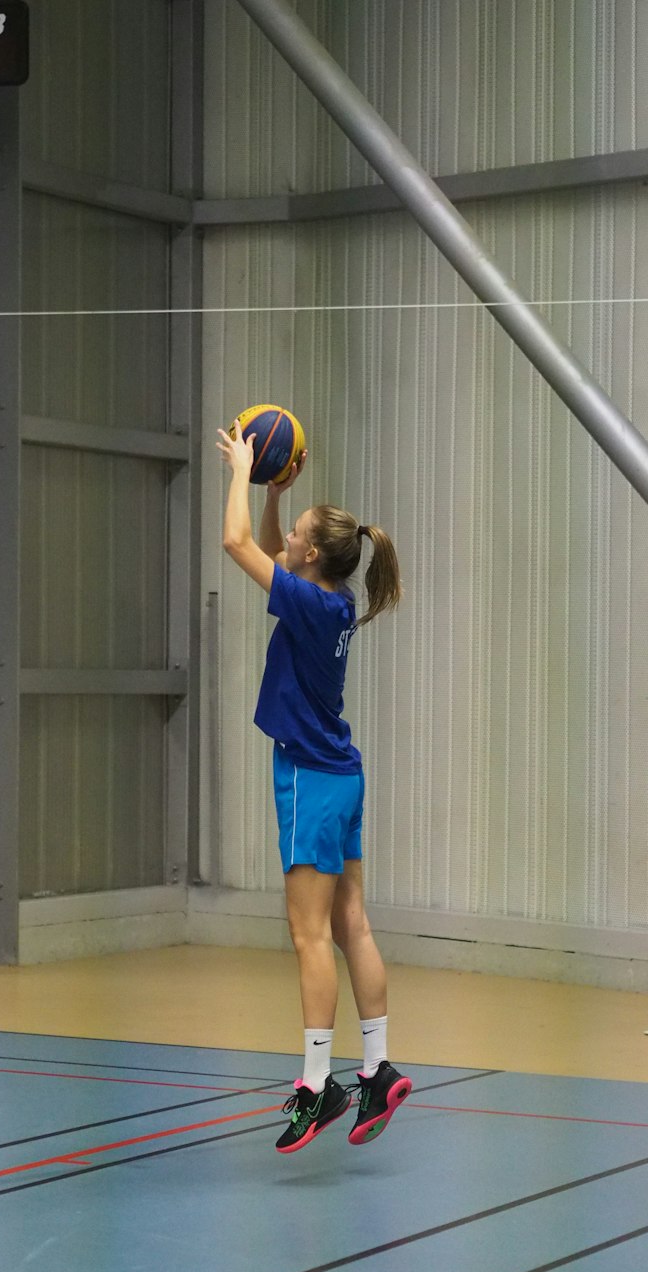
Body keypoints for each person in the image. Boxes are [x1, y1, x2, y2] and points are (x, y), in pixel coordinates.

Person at [217, 418, 412, 1154]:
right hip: (345, 773)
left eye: (296, 533)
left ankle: (315, 1083)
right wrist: (276, 496)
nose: (287, 539)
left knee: (307, 935)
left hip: (307, 775)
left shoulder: (308, 601)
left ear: (311, 557)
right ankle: (378, 1065)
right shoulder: (324, 599)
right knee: (351, 921)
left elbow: (238, 545)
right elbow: (271, 548)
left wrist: (241, 468)